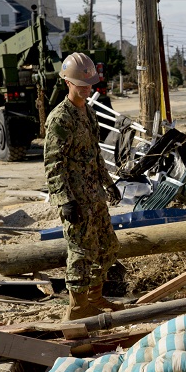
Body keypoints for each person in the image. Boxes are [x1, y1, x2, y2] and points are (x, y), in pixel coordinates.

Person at [44, 52, 123, 320]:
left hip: (94, 195)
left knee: (107, 247)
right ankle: (77, 308)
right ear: (68, 82)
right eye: (82, 85)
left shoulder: (88, 112)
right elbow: (53, 163)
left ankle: (94, 298)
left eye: (90, 84)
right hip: (76, 199)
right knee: (80, 252)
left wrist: (108, 183)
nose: (87, 89)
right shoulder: (60, 118)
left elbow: (94, 153)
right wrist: (64, 200)